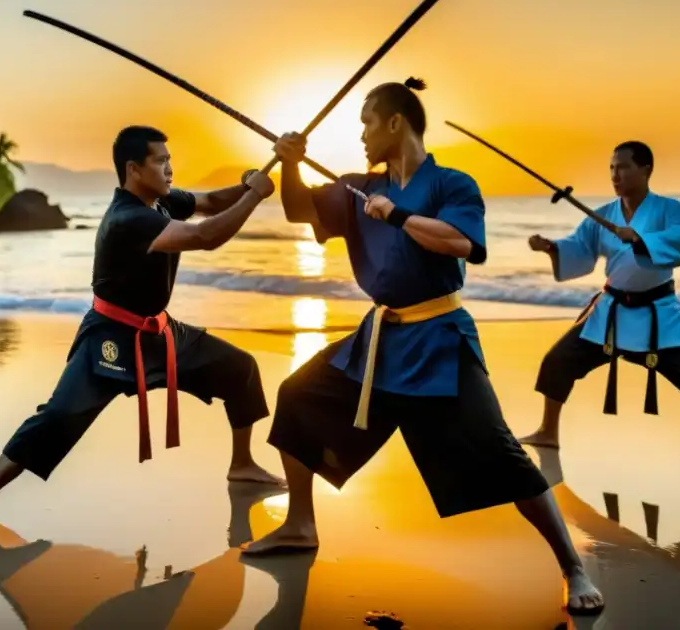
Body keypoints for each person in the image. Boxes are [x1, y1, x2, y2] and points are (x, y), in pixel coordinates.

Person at [241, 78, 605, 616]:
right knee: (298, 394)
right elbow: (301, 211)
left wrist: (399, 216)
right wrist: (291, 162)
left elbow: (462, 245)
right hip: (378, 341)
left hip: (440, 340)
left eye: (367, 121)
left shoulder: (452, 184)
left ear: (395, 122)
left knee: (502, 453)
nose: (362, 134)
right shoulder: (357, 186)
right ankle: (299, 525)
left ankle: (572, 567)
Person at [0, 125, 285, 535]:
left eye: (169, 159)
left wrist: (248, 181)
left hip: (160, 332)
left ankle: (242, 465)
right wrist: (256, 194)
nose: (170, 168)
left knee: (240, 369)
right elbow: (206, 235)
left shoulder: (160, 203)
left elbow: (211, 202)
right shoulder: (129, 218)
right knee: (57, 418)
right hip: (110, 336)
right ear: (133, 168)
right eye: (160, 161)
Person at [518, 141, 680, 494]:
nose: (615, 175)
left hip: (658, 319)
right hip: (611, 314)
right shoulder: (603, 214)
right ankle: (547, 433)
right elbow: (581, 251)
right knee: (557, 361)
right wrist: (552, 248)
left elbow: (679, 246)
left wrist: (639, 237)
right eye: (611, 168)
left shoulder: (672, 211)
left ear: (646, 169)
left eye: (622, 167)